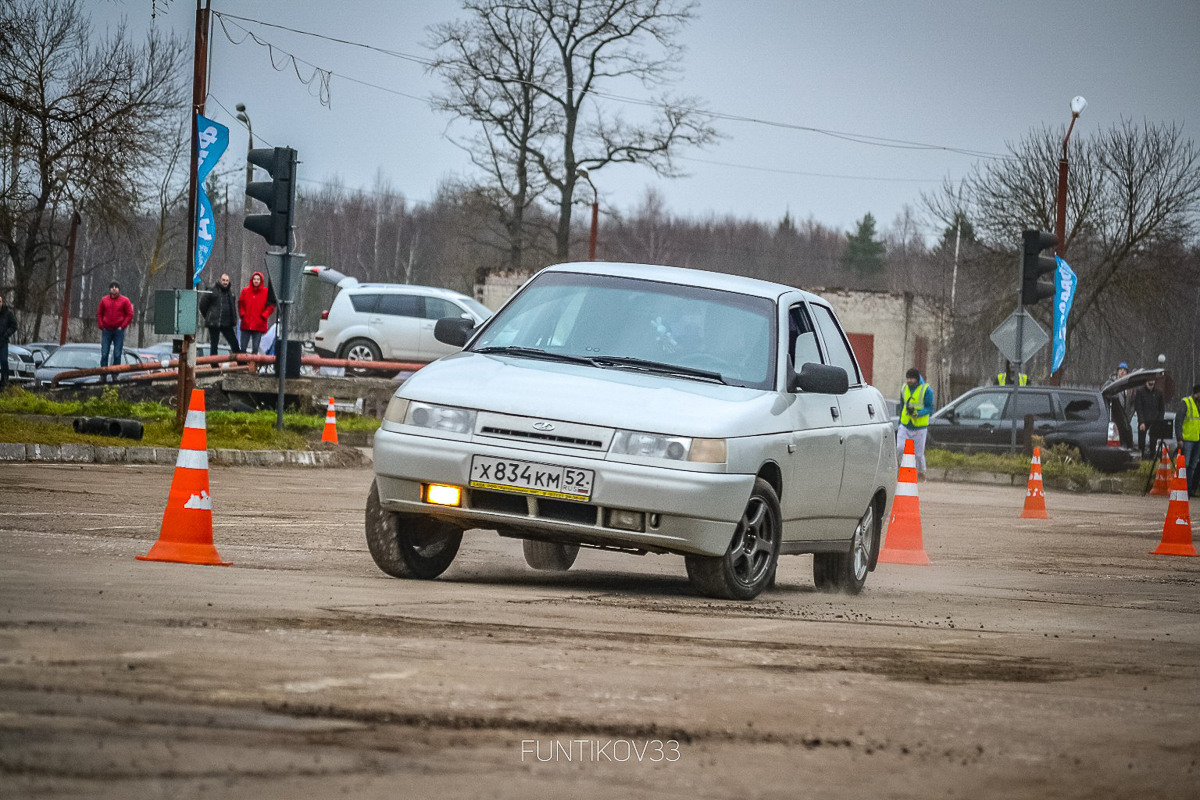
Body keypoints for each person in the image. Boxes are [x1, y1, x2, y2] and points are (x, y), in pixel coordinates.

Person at [898, 368, 934, 480]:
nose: (909, 380)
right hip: (905, 424)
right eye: (908, 378)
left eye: (912, 378)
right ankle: (901, 467)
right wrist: (900, 421)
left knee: (918, 454)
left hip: (920, 427)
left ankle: (921, 472)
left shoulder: (926, 390)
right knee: (899, 448)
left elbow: (930, 408)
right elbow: (902, 405)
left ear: (917, 379)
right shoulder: (904, 388)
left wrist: (918, 413)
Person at [199, 273, 241, 356]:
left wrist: (233, 320)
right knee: (214, 344)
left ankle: (240, 362)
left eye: (227, 280)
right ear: (220, 280)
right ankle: (214, 364)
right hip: (214, 322)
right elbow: (202, 305)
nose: (225, 282)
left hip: (227, 323)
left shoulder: (230, 292)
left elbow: (232, 308)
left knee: (234, 342)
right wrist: (209, 316)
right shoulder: (212, 290)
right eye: (223, 280)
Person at [96, 281, 133, 370]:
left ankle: (115, 375)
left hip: (118, 330)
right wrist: (101, 325)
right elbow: (99, 313)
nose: (114, 288)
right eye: (112, 287)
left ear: (119, 289)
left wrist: (122, 326)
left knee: (117, 354)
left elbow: (129, 314)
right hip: (107, 330)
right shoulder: (104, 300)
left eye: (116, 287)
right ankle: (103, 374)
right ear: (109, 289)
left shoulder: (125, 300)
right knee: (104, 353)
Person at [237, 271, 275, 354]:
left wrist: (264, 316)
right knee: (242, 348)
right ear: (252, 280)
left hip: (259, 325)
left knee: (255, 349)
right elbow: (240, 303)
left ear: (261, 281)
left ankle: (253, 366)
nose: (256, 281)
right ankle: (242, 365)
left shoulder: (266, 292)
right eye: (254, 279)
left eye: (258, 279)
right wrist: (242, 314)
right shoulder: (245, 291)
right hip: (246, 323)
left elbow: (271, 306)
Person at [1175, 384, 1200, 497]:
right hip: (1187, 439)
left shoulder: (1198, 405)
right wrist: (1179, 438)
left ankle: (1189, 489)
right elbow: (1178, 421)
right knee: (1186, 465)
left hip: (1197, 439)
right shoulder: (1186, 402)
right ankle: (1182, 489)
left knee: (1192, 466)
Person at [1131, 378, 1165, 458]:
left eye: (1152, 380)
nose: (1151, 382)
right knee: (1141, 443)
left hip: (1155, 421)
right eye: (1149, 380)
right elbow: (1138, 407)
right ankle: (1141, 459)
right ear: (1146, 381)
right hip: (1144, 420)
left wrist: (1159, 421)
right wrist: (1141, 421)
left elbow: (1162, 409)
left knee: (1153, 443)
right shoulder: (1140, 392)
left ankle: (1152, 459)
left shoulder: (1159, 393)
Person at [0, 293, 17, 389]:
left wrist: (6, 335)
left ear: (2, 303)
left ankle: (4, 382)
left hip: (3, 342)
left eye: (0, 301)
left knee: (3, 361)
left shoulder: (8, 314)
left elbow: (14, 326)